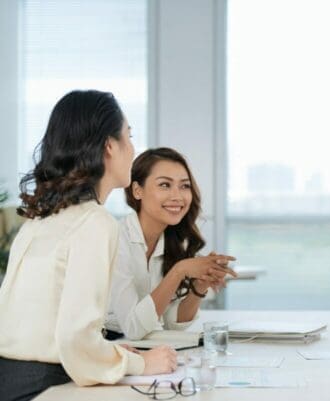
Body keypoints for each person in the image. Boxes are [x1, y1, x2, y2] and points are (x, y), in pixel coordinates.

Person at [0, 90, 177, 401]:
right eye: (129, 136)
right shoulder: (95, 222)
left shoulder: (40, 219)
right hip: (46, 387)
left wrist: (107, 353)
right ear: (109, 146)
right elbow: (75, 339)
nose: (133, 149)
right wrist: (142, 361)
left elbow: (49, 328)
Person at [105, 147, 237, 340]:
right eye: (165, 185)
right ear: (137, 190)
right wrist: (179, 271)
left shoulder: (173, 241)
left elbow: (170, 323)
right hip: (100, 348)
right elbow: (133, 328)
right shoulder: (116, 239)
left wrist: (199, 287)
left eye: (184, 186)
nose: (177, 196)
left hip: (139, 346)